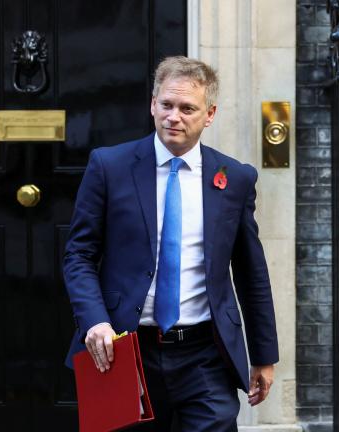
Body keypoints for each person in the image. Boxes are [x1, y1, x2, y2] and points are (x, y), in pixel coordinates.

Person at [63, 56, 278, 431]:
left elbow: (250, 272)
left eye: (187, 108)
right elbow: (79, 254)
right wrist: (94, 320)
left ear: (209, 114)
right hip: (124, 350)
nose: (173, 116)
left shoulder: (235, 178)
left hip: (205, 354)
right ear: (152, 104)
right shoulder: (109, 166)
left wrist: (264, 356)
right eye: (166, 104)